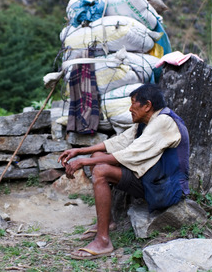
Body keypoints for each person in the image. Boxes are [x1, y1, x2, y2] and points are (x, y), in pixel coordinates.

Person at [58, 83, 190, 260]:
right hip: (152, 180)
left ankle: (103, 241)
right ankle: (108, 221)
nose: (130, 108)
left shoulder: (164, 122)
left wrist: (83, 161)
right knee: (98, 155)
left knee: (101, 170)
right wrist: (80, 151)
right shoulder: (147, 121)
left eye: (133, 103)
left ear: (147, 105)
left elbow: (130, 154)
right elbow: (119, 142)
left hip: (166, 190)